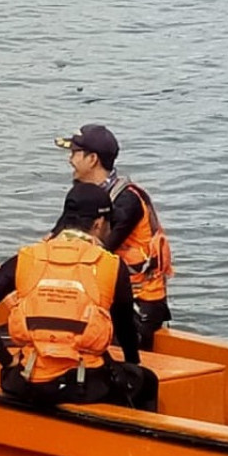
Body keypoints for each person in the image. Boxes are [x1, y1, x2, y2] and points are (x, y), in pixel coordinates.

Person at [0, 183, 157, 410]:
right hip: (83, 386)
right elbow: (125, 329)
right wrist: (133, 364)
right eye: (109, 224)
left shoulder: (29, 257)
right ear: (98, 224)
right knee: (147, 381)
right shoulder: (110, 265)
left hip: (26, 381)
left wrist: (5, 360)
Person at [54, 124, 173, 350]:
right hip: (102, 297)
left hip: (139, 303)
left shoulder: (127, 201)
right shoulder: (82, 197)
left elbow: (98, 253)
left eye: (74, 153)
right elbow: (54, 239)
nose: (70, 160)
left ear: (92, 159)